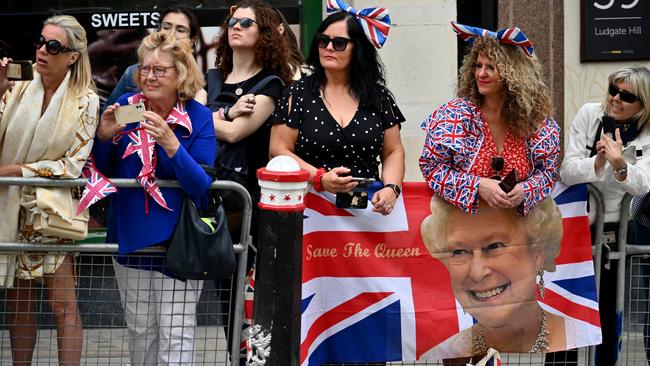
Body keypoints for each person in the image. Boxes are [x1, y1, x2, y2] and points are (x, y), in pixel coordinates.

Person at [270, 4, 403, 364]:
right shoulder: (298, 94)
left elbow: (393, 151)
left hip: (367, 225)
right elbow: (278, 150)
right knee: (319, 309)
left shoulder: (378, 97)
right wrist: (319, 177)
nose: (328, 47)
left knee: (368, 307)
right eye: (323, 40)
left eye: (339, 43)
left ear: (358, 48)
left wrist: (391, 188)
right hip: (312, 224)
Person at [93, 31, 216, 365]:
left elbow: (200, 184)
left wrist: (171, 144)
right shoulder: (124, 109)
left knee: (176, 333)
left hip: (179, 242)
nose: (149, 76)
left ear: (182, 75)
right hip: (131, 238)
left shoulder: (199, 117)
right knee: (141, 331)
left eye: (160, 70)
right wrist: (103, 137)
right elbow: (100, 170)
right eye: (145, 68)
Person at [0, 14, 98, 365]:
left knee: (63, 304)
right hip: (12, 209)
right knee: (20, 302)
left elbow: (71, 166)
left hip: (49, 211)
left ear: (73, 55)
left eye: (53, 46)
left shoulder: (86, 99)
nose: (42, 50)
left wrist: (14, 171)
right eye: (41, 42)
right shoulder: (20, 86)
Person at [419, 22, 560, 216]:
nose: (481, 74)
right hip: (464, 234)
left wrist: (526, 190)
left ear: (515, 74)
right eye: (478, 66)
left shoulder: (536, 120)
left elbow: (548, 172)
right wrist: (478, 185)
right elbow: (431, 167)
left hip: (517, 236)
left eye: (491, 67)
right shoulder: (454, 115)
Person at [559, 65, 650, 366]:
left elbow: (643, 183)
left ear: (644, 104)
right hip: (575, 229)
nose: (615, 98)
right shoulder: (589, 114)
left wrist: (619, 164)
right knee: (565, 314)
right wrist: (598, 162)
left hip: (614, 234)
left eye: (627, 96)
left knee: (608, 317)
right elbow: (567, 170)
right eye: (613, 89)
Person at [420, 196, 568, 358]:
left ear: (538, 254)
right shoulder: (441, 356)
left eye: (494, 246)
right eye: (459, 251)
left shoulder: (579, 341)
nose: (477, 273)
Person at [103, 5, 201, 110]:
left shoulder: (200, 84)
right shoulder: (132, 73)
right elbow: (111, 118)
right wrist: (141, 113)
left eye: (180, 30)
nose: (171, 34)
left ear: (192, 40)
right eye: (166, 27)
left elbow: (202, 120)